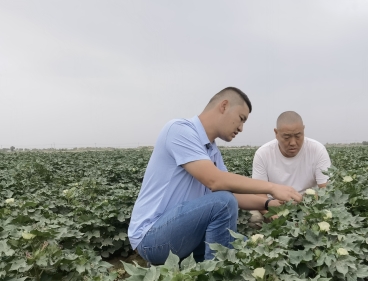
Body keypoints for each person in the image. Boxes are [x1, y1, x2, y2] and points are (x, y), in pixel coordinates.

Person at [128, 87, 302, 265]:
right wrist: (273, 187)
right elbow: (216, 182)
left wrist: (269, 203)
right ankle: (215, 278)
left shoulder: (211, 151)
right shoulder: (179, 130)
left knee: (251, 248)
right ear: (224, 106)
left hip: (185, 233)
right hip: (152, 238)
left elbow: (234, 194)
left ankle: (203, 266)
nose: (241, 128)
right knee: (222, 203)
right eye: (241, 119)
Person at [249, 111, 331, 227]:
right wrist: (270, 215)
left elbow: (325, 189)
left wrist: (307, 208)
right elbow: (259, 194)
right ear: (276, 133)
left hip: (307, 204)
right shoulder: (263, 154)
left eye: (298, 136)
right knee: (254, 218)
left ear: (303, 130)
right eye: (286, 137)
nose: (293, 142)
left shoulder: (317, 150)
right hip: (274, 205)